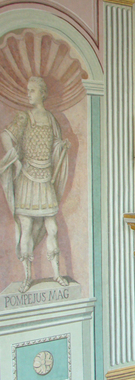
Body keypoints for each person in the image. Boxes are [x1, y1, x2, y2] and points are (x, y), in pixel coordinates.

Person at [0, 77, 70, 292]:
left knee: (53, 228)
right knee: (27, 228)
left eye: (32, 91)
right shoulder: (25, 117)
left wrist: (61, 146)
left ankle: (56, 274)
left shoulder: (50, 118)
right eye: (28, 90)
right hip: (27, 179)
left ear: (42, 93)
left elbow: (54, 144)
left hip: (45, 178)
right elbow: (5, 136)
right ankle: (27, 277)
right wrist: (17, 161)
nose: (28, 94)